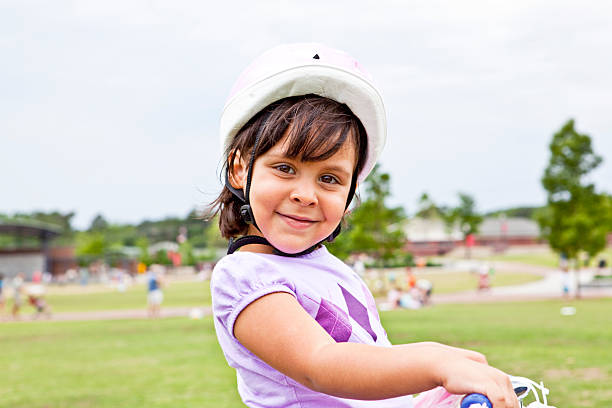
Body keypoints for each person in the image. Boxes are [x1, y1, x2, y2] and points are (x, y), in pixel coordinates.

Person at [208, 43, 518, 408]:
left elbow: (367, 376)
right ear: (240, 168)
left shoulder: (330, 270)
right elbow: (320, 364)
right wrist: (435, 360)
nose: (306, 195)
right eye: (285, 168)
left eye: (329, 179)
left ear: (351, 191)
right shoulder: (246, 277)